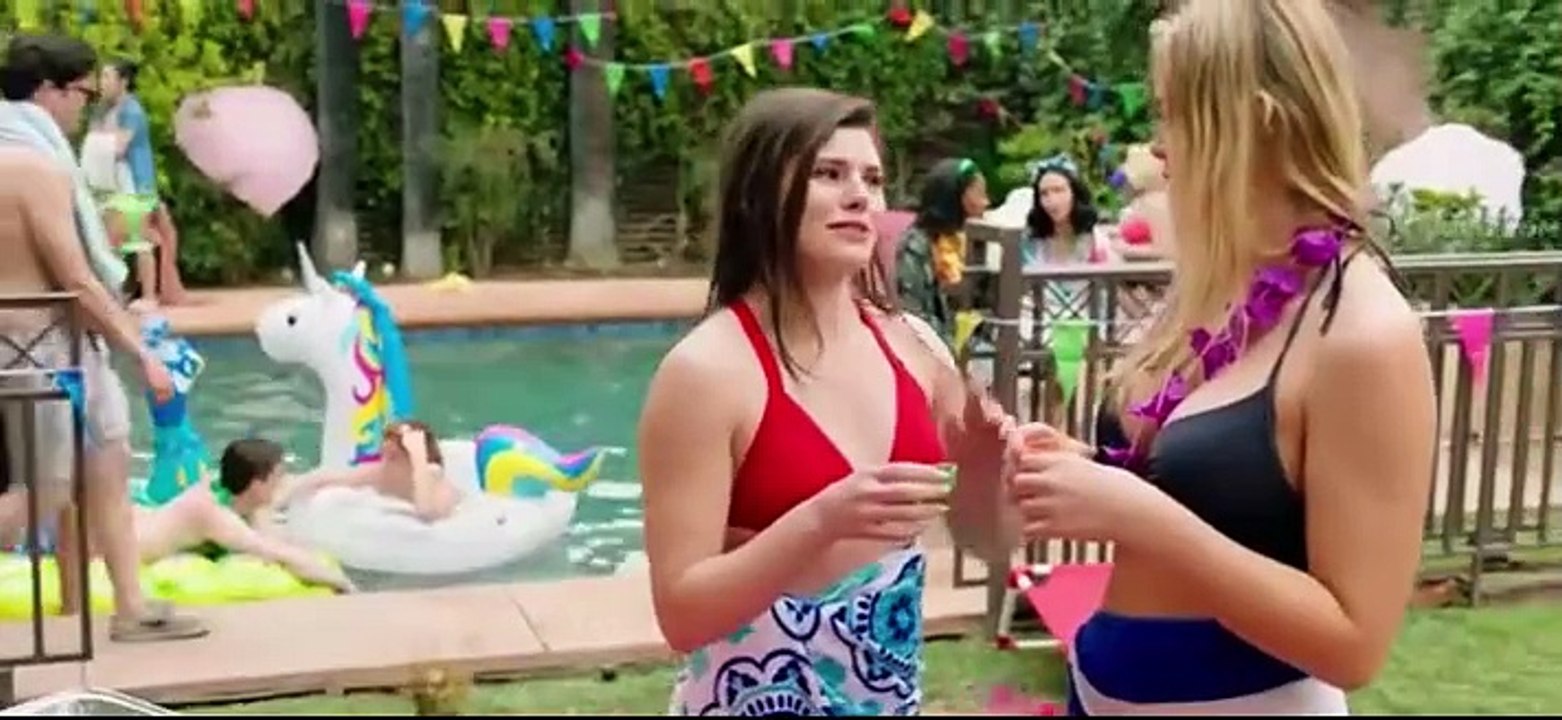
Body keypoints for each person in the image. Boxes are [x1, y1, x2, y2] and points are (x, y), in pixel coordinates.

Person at [1006, 0, 1437, 713]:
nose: (1156, 150)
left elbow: (1354, 644)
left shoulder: (1362, 332)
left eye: (1171, 115)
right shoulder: (1219, 286)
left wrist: (1136, 515)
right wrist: (1083, 472)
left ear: (1256, 122)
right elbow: (1204, 491)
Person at [637, 87, 1017, 716]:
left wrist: (985, 470)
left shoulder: (914, 345)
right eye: (829, 173)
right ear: (758, 195)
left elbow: (987, 542)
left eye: (873, 179)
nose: (860, 196)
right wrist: (820, 521)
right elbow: (682, 616)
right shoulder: (707, 373)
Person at [0, 32, 207, 642]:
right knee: (43, 494)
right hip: (43, 349)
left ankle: (118, 607)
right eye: (84, 95)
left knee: (105, 471)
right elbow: (75, 278)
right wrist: (141, 351)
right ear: (49, 90)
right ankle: (112, 609)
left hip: (39, 346)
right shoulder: (33, 167)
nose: (85, 110)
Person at [131, 438, 355, 593]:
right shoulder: (214, 514)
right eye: (277, 477)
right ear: (257, 484)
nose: (281, 482)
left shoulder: (231, 490)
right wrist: (344, 584)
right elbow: (280, 555)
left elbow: (306, 481)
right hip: (126, 550)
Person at [96, 59, 188, 306]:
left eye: (107, 77)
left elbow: (119, 147)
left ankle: (148, 296)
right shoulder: (107, 110)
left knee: (138, 238)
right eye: (101, 77)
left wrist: (99, 143)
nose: (102, 83)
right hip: (116, 183)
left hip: (136, 183)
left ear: (123, 82)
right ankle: (120, 292)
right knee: (114, 239)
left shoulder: (131, 110)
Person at [283, 420, 461, 523]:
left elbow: (426, 512)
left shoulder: (432, 475)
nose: (386, 459)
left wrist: (418, 454)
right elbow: (326, 479)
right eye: (385, 451)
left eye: (394, 456)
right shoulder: (381, 472)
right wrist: (284, 501)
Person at [895, 157, 990, 345]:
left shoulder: (976, 239)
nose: (986, 202)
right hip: (931, 344)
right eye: (979, 193)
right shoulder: (915, 246)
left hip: (975, 344)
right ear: (955, 196)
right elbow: (913, 311)